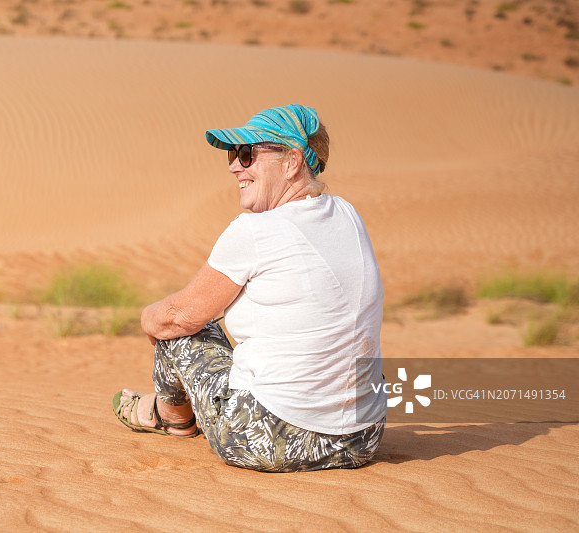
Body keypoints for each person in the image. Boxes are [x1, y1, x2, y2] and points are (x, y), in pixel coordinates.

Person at [112, 104, 387, 473]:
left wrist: (147, 318)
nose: (234, 167)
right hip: (361, 439)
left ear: (291, 162)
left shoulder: (256, 230)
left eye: (247, 154)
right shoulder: (348, 215)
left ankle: (170, 415)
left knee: (181, 326)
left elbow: (178, 318)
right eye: (233, 154)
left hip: (270, 440)